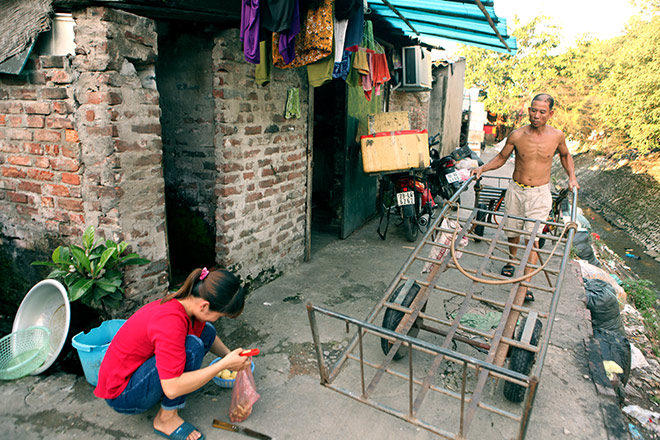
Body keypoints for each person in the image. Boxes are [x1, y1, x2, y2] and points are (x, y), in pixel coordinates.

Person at [471, 93, 579, 365]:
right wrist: (482, 169)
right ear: (528, 111)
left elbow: (566, 157)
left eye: (542, 111)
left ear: (550, 113)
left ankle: (525, 284)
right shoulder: (518, 135)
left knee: (534, 238)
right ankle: (511, 261)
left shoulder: (557, 136)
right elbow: (501, 158)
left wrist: (572, 178)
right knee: (513, 233)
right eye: (533, 110)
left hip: (540, 193)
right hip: (516, 190)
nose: (537, 115)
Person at [94, 267, 252, 440]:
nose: (217, 319)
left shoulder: (186, 303)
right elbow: (171, 388)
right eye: (219, 315)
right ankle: (166, 419)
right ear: (205, 305)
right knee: (191, 347)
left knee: (205, 331)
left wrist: (230, 356)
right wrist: (224, 365)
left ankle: (170, 395)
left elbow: (209, 335)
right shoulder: (170, 322)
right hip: (122, 394)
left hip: (135, 374)